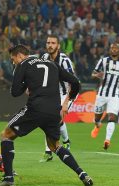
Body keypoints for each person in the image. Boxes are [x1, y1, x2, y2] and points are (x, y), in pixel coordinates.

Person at [0, 45, 93, 186]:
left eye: (13, 59)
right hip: (54, 111)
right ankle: (83, 174)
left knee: (6, 135)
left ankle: (8, 178)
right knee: (55, 146)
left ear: (20, 55)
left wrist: (26, 83)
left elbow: (15, 92)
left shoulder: (22, 65)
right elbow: (75, 82)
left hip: (35, 109)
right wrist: (68, 100)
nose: (13, 62)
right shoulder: (52, 64)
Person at [39, 34, 75, 162]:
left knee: (53, 118)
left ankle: (48, 151)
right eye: (48, 42)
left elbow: (73, 82)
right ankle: (66, 141)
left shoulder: (65, 60)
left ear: (58, 46)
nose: (50, 45)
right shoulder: (43, 58)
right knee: (51, 120)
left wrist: (66, 102)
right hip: (51, 94)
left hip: (66, 93)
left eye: (53, 43)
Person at [91, 43, 119, 150]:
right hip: (102, 93)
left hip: (115, 94)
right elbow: (93, 73)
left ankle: (107, 140)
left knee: (112, 117)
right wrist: (97, 75)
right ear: (110, 50)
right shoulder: (103, 61)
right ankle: (97, 125)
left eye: (116, 48)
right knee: (97, 118)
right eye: (113, 48)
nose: (115, 50)